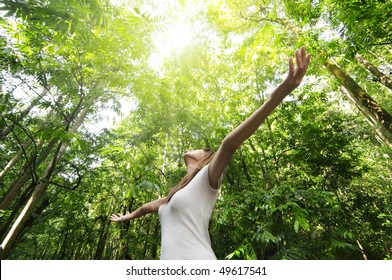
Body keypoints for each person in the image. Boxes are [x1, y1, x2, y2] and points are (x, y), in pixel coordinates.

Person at [110, 46, 311, 259]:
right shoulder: (171, 198)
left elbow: (228, 145)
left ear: (206, 158)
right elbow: (144, 208)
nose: (192, 148)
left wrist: (278, 94)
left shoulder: (208, 178)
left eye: (202, 148)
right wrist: (127, 217)